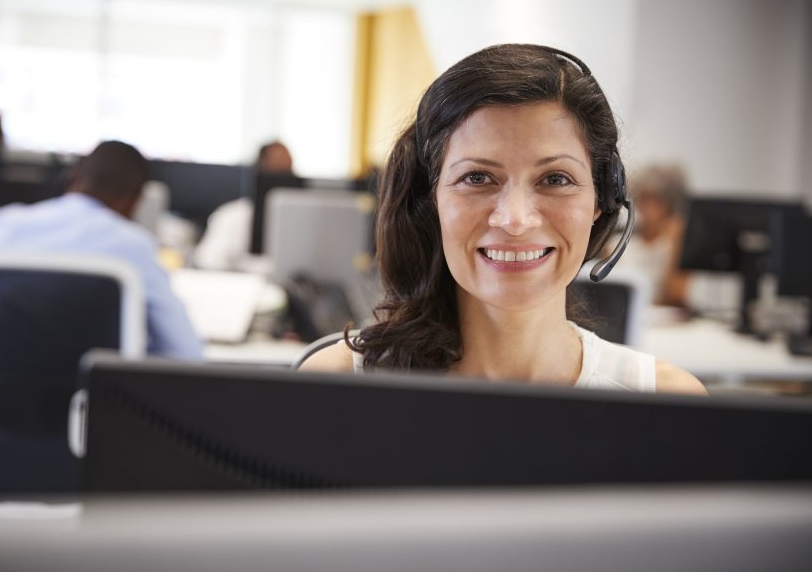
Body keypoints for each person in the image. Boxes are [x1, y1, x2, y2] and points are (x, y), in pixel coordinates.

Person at [300, 43, 706, 395]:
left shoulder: (665, 403)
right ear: (431, 200)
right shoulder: (336, 387)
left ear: (603, 198)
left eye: (555, 179)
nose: (515, 219)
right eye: (477, 178)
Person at [0, 140, 203, 360]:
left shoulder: (4, 224)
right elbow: (186, 353)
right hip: (91, 421)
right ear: (135, 200)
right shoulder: (133, 247)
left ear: (72, 179)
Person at [192, 140, 294, 271]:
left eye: (286, 172)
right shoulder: (233, 215)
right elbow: (208, 262)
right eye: (276, 171)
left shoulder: (302, 222)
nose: (282, 177)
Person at [615, 163, 691, 306]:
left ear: (669, 203)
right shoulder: (617, 244)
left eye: (657, 200)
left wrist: (677, 243)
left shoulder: (678, 244)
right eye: (644, 198)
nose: (649, 208)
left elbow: (676, 295)